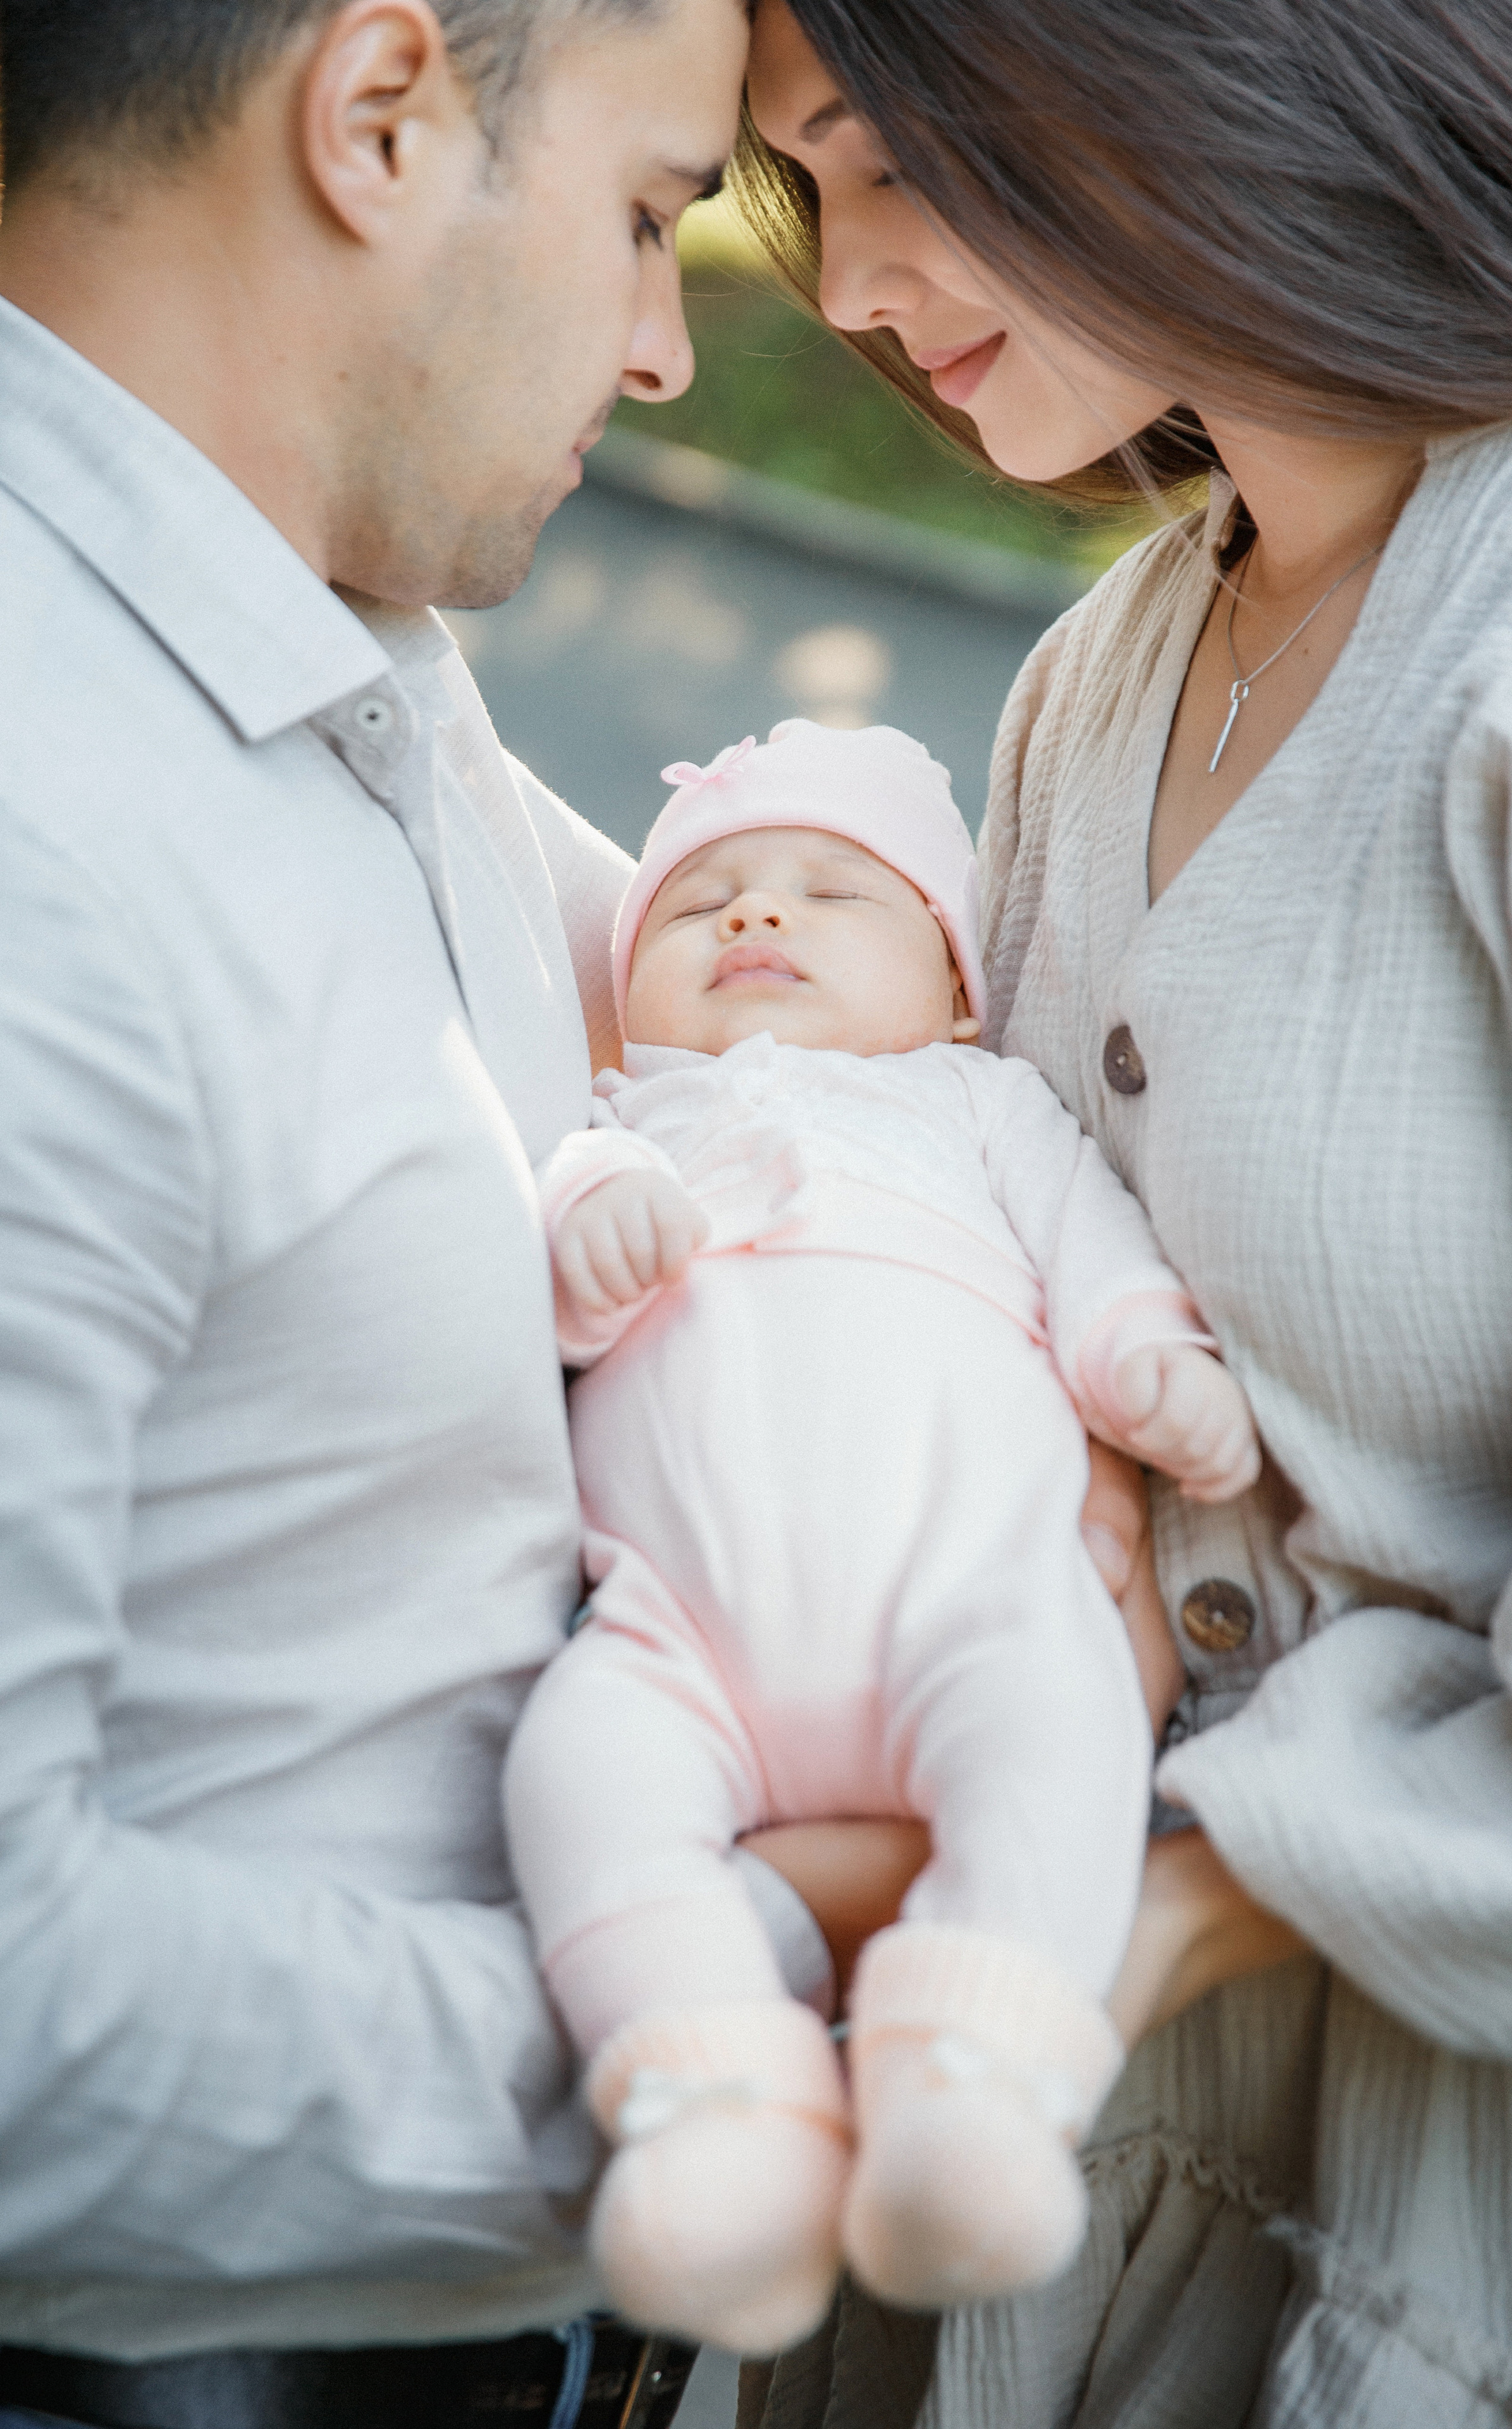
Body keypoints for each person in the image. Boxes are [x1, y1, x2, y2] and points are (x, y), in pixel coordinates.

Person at [727, 0, 1512, 2423]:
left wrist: (1184, 1891)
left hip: (1476, 2264)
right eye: (795, 200)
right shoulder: (1087, 687)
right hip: (1004, 2246)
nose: (837, 287)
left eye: (880, 159)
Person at [0, 1, 790, 2423]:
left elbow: (778, 1014)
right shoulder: (45, 841)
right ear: (379, 116)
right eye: (654, 216)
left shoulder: (354, 638)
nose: (670, 351)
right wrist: (762, 1979)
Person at [503, 717, 1259, 2356]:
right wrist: (587, 1237)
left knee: (1061, 1739)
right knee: (573, 1781)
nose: (756, 919)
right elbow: (542, 1281)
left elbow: (1096, 1252)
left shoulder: (982, 1109)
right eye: (702, 903)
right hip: (673, 1646)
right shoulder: (627, 1117)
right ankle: (710, 2100)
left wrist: (1146, 1360)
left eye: (831, 890)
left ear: (960, 983)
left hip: (967, 1600)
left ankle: (974, 2079)